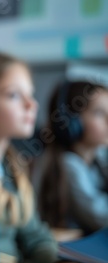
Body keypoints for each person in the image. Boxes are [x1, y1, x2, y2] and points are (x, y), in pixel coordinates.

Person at [0, 50, 86, 263]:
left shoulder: (12, 164)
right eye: (14, 95)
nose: (31, 104)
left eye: (30, 94)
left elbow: (33, 234)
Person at [39, 80, 108, 235]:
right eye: (99, 113)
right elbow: (101, 216)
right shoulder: (69, 164)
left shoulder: (98, 161)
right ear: (71, 122)